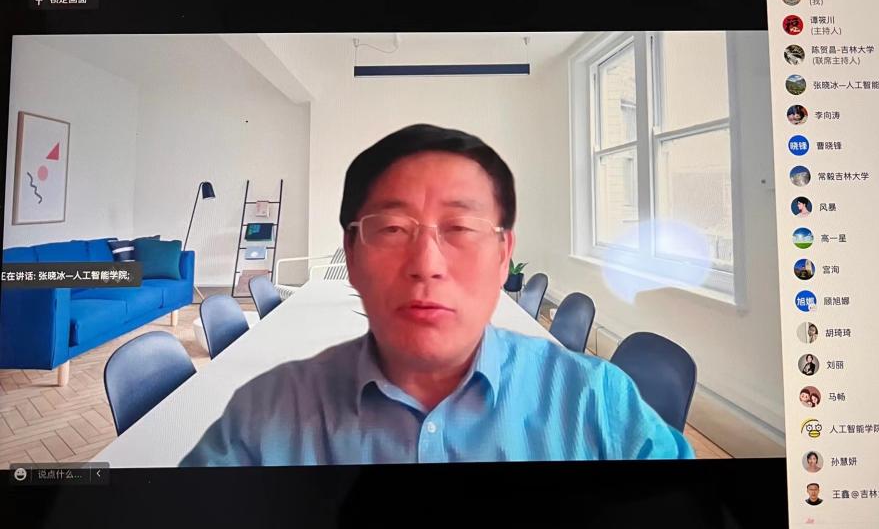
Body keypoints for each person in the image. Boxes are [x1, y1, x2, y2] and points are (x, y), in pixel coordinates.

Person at [180, 124, 694, 466]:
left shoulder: (597, 404)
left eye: (461, 228)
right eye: (391, 229)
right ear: (351, 255)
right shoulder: (261, 420)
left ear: (503, 256)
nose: (426, 264)